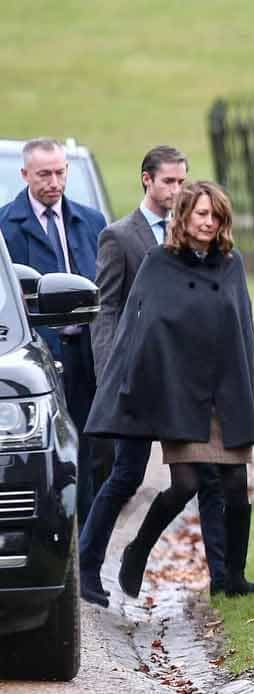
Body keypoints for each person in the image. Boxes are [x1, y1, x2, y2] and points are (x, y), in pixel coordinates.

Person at [86, 181, 254, 599]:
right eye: (201, 214)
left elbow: (242, 329)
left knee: (236, 490)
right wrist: (134, 387)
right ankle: (137, 550)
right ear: (183, 215)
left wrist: (245, 389)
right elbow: (139, 328)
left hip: (225, 391)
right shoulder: (159, 261)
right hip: (181, 394)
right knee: (185, 485)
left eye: (216, 215)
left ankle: (233, 579)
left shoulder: (231, 261)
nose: (209, 222)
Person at [0, 138, 105, 526]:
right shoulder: (5, 227)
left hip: (87, 351)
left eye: (61, 172)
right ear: (25, 175)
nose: (54, 181)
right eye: (44, 174)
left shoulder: (91, 222)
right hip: (37, 356)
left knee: (93, 448)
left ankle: (88, 544)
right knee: (52, 451)